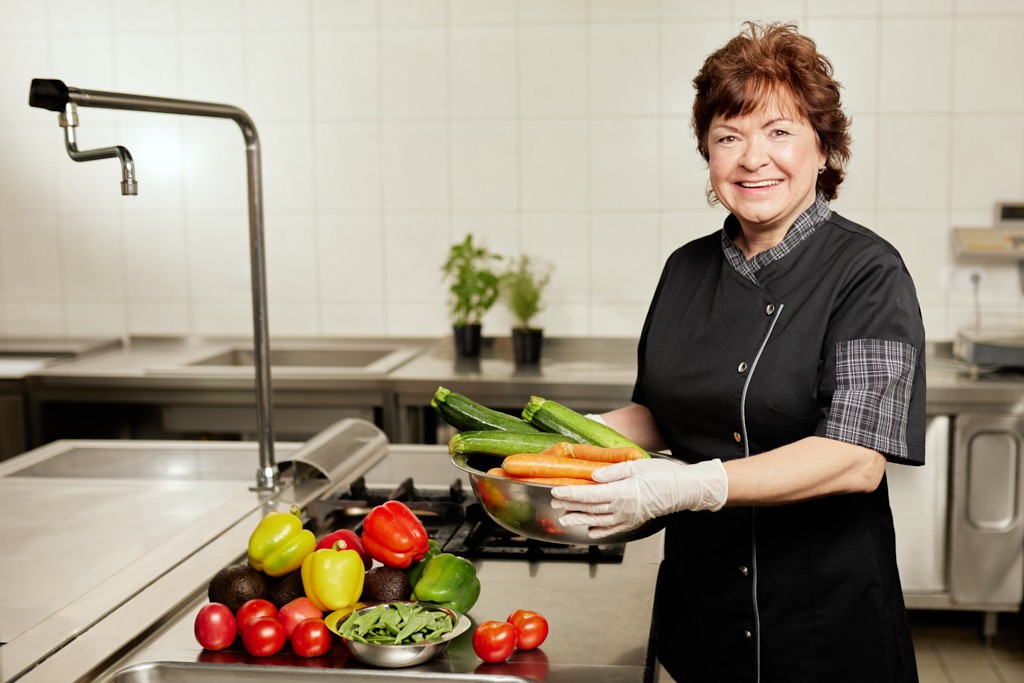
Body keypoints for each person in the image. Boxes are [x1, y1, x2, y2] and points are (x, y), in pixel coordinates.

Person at [551, 21, 925, 683]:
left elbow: (856, 458)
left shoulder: (869, 271)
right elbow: (662, 412)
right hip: (705, 621)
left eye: (779, 132)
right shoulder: (685, 269)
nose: (753, 159)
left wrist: (695, 484)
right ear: (708, 156)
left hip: (824, 631)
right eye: (729, 137)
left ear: (823, 146)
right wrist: (562, 443)